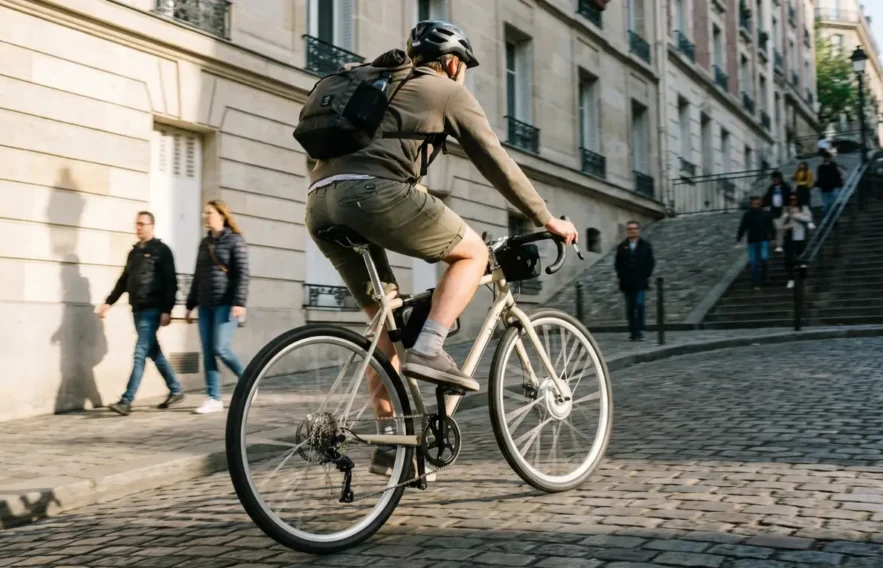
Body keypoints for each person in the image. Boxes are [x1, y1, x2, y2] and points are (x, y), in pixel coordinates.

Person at [305, 20, 578, 394]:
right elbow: (495, 161)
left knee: (390, 330)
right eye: (464, 67)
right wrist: (544, 218)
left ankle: (390, 445)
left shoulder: (380, 85)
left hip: (318, 201)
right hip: (375, 194)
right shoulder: (447, 91)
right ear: (453, 64)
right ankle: (431, 347)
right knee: (474, 254)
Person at [98, 211, 182, 416]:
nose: (139, 228)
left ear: (152, 226)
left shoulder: (162, 251)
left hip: (153, 310)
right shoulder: (133, 253)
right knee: (154, 352)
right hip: (137, 309)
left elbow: (171, 282)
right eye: (137, 224)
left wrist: (166, 310)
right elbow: (123, 280)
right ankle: (176, 388)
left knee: (140, 354)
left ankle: (127, 400)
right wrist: (108, 302)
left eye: (142, 224)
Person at [185, 200, 250, 415]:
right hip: (205, 304)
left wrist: (239, 302)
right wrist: (189, 304)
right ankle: (213, 398)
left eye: (210, 213)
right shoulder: (204, 243)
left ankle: (249, 380)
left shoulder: (235, 241)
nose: (206, 216)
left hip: (226, 303)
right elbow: (198, 275)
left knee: (220, 348)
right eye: (205, 213)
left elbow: (242, 273)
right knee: (208, 352)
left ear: (221, 215)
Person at [614, 221, 655, 342]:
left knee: (640, 305)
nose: (632, 231)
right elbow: (618, 264)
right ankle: (633, 332)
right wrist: (622, 276)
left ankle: (641, 330)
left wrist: (645, 274)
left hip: (640, 282)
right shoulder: (622, 247)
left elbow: (650, 262)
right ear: (627, 231)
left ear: (638, 230)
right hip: (627, 283)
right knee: (630, 308)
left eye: (634, 229)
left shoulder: (645, 246)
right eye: (630, 229)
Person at [736, 196, 775, 289]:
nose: (756, 205)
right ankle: (756, 282)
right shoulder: (747, 215)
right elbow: (743, 227)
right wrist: (739, 238)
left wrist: (773, 237)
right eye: (754, 204)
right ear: (751, 204)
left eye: (757, 203)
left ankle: (765, 278)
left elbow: (771, 226)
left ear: (760, 203)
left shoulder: (765, 214)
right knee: (753, 263)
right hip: (752, 241)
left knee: (764, 258)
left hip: (763, 239)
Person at [781, 194, 814, 289]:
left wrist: (796, 215)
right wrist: (787, 216)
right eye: (791, 200)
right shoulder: (786, 209)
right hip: (790, 236)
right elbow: (782, 221)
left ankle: (802, 275)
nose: (793, 201)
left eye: (794, 199)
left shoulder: (803, 208)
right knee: (789, 258)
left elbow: (809, 218)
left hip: (801, 235)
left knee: (802, 256)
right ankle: (790, 278)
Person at [762, 171, 792, 253]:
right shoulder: (771, 189)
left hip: (784, 209)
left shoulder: (786, 188)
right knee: (777, 227)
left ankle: (780, 244)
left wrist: (789, 207)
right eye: (774, 179)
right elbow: (766, 199)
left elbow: (790, 198)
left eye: (777, 179)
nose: (775, 181)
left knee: (780, 228)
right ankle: (778, 243)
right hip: (774, 210)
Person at [815, 152, 844, 218]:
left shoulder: (833, 165)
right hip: (824, 189)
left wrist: (840, 183)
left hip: (833, 187)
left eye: (827, 158)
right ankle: (826, 217)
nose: (826, 159)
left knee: (832, 203)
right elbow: (820, 178)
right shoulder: (820, 167)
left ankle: (833, 218)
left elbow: (837, 175)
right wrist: (817, 185)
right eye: (825, 158)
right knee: (826, 204)